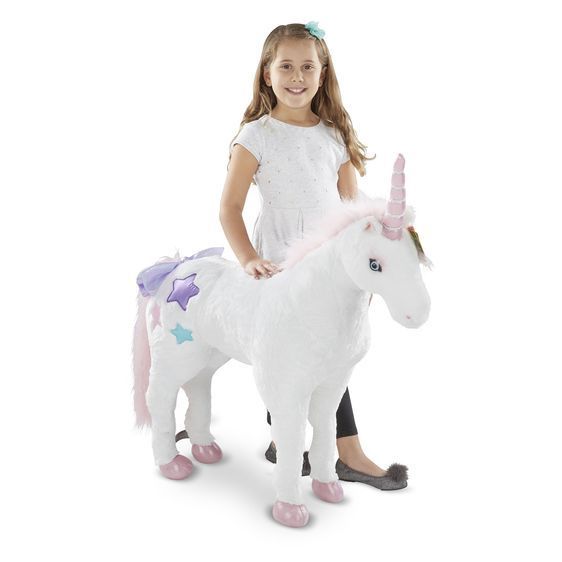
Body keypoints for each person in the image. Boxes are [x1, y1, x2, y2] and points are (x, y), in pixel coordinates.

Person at [218, 21, 408, 490]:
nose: (297, 77)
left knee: (332, 356)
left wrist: (365, 269)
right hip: (281, 267)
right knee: (284, 355)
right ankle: (291, 440)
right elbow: (230, 208)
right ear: (267, 74)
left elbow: (352, 210)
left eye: (307, 67)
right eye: (286, 66)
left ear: (323, 75)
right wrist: (248, 258)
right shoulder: (256, 136)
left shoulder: (334, 136)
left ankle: (341, 451)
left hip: (330, 271)